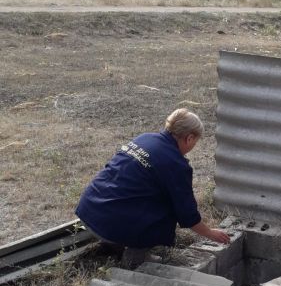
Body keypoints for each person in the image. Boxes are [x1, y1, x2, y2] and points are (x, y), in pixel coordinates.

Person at [76, 108, 230, 267]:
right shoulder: (176, 164)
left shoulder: (144, 138)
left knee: (144, 195)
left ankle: (113, 245)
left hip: (90, 209)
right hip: (110, 223)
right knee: (166, 211)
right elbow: (186, 213)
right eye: (195, 142)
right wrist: (210, 233)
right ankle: (135, 261)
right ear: (189, 138)